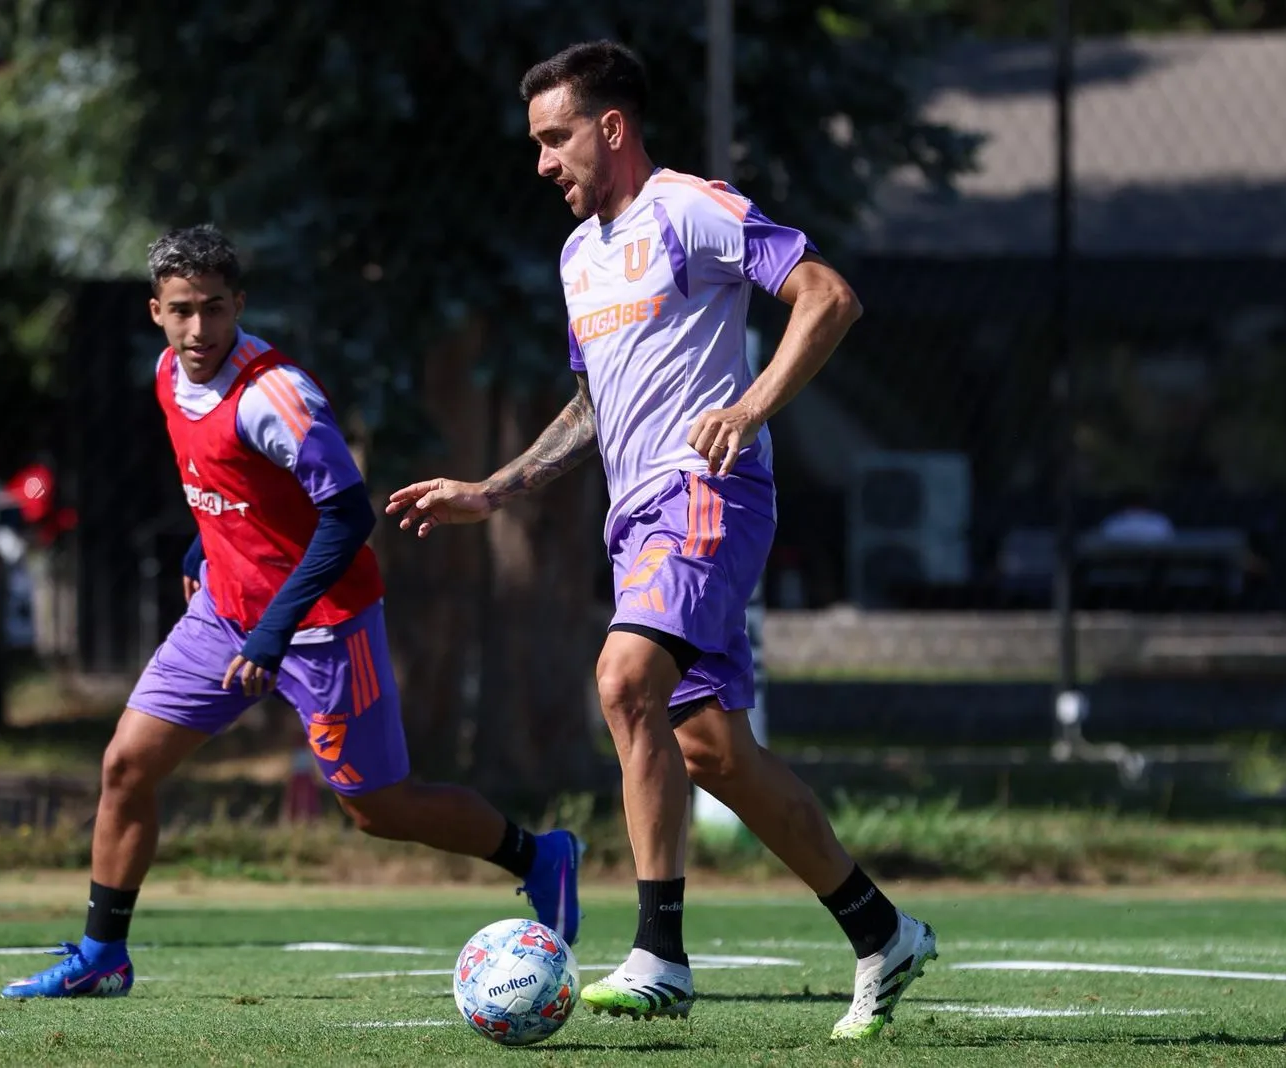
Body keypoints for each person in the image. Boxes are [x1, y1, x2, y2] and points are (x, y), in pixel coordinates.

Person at [386, 42, 936, 1038]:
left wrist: (754, 406)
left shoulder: (689, 207)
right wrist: (493, 491)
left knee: (621, 678)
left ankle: (659, 955)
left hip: (706, 496)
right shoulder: (578, 257)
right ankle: (880, 931)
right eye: (535, 144)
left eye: (555, 139)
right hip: (635, 516)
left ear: (611, 127)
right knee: (712, 750)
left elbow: (827, 296)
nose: (542, 163)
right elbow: (596, 402)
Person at [1, 225, 582, 999]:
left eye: (215, 308)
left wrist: (275, 631)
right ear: (155, 312)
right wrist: (199, 557)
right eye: (182, 310)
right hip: (223, 614)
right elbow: (218, 487)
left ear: (240, 303)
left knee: (377, 808)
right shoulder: (169, 374)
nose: (199, 328)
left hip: (326, 627)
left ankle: (538, 856)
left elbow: (345, 517)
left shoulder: (277, 396)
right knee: (126, 765)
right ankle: (103, 953)